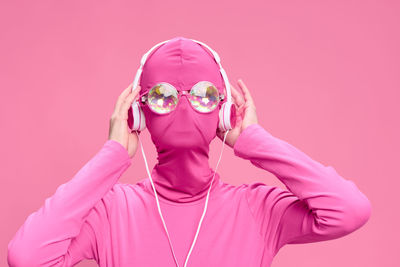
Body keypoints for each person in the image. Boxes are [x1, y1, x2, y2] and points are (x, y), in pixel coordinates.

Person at [7, 37, 372, 267]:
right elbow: (27, 258)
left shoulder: (257, 210)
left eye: (203, 96)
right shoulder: (111, 211)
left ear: (224, 113)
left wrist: (256, 141)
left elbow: (349, 210)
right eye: (163, 96)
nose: (184, 107)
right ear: (139, 113)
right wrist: (112, 156)